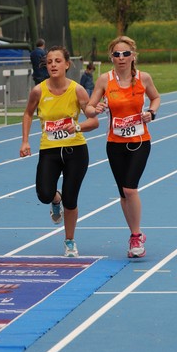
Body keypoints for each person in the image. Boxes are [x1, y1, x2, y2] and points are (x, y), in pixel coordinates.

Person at [20, 46, 99, 257]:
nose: (53, 65)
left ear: (67, 64)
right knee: (44, 193)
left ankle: (70, 241)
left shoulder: (77, 90)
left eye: (57, 61)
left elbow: (93, 119)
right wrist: (25, 141)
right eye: (49, 61)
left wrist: (79, 125)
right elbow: (27, 114)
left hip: (76, 150)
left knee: (71, 200)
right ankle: (56, 200)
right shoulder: (38, 90)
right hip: (50, 149)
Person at [86, 35, 160, 258]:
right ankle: (133, 235)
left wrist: (151, 113)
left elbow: (156, 98)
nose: (121, 58)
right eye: (117, 54)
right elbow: (88, 108)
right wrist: (95, 109)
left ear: (133, 56)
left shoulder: (143, 79)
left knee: (130, 188)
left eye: (126, 54)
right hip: (115, 143)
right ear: (111, 57)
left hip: (139, 141)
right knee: (123, 193)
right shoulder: (104, 80)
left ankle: (136, 235)